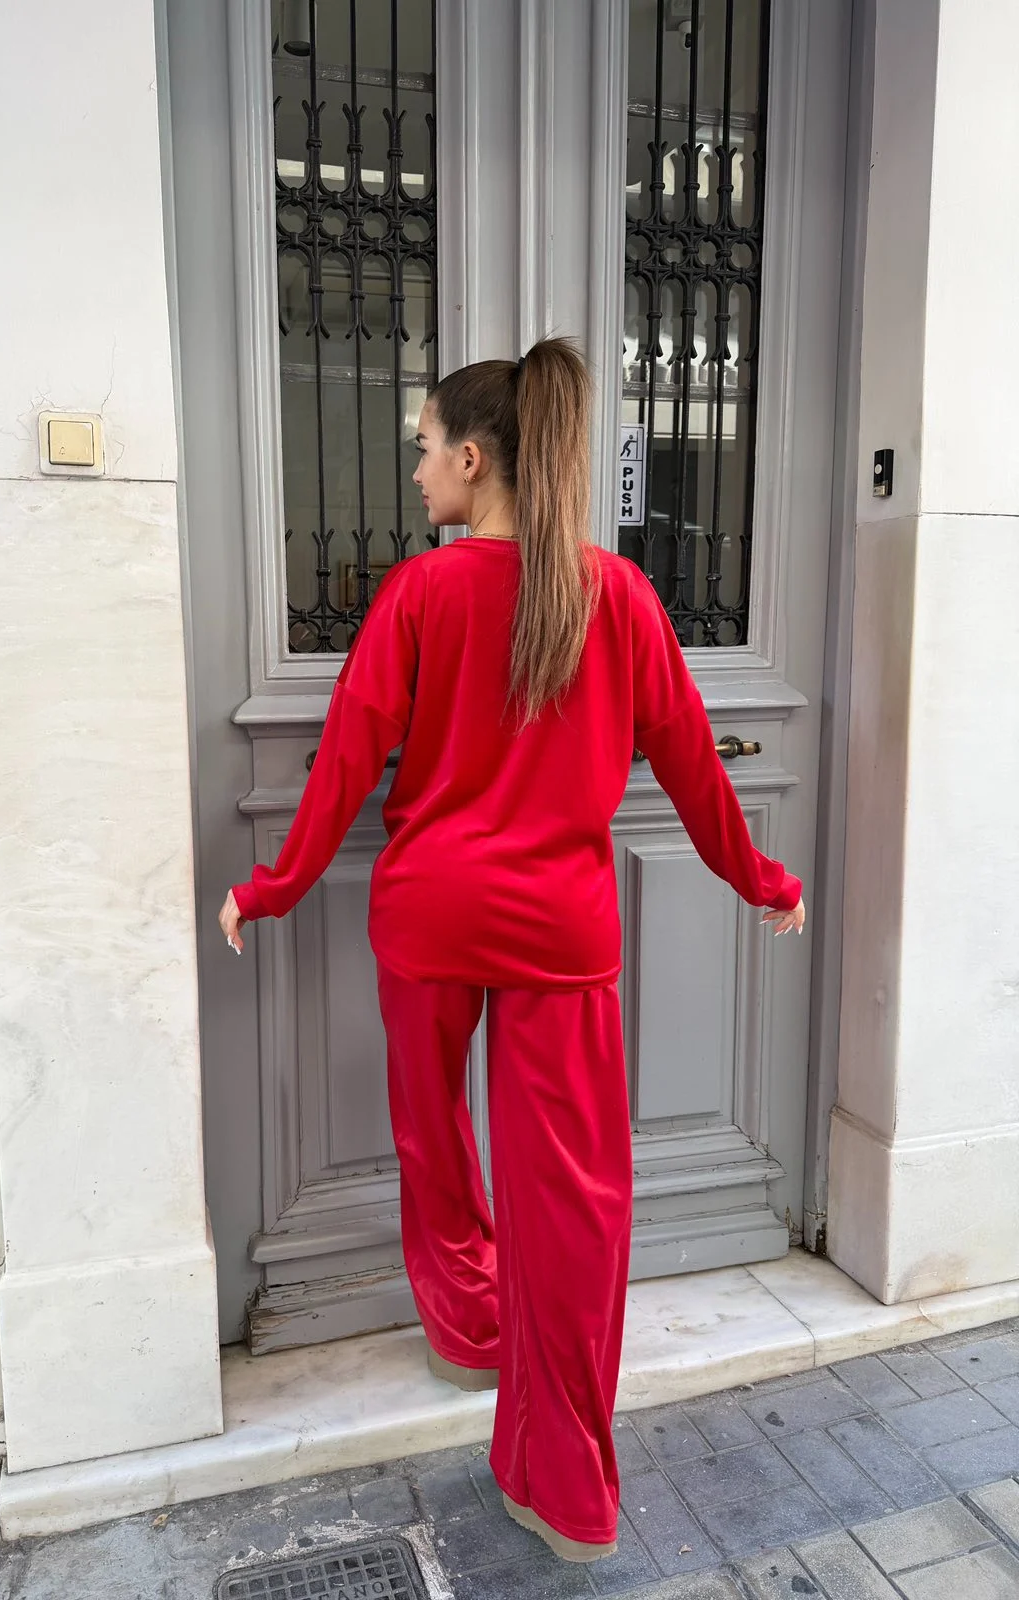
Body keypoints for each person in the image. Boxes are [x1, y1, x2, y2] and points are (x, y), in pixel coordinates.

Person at [221, 338, 804, 1564]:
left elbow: (345, 763)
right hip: (559, 932)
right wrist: (764, 878)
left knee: (435, 1138)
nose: (417, 469)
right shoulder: (620, 596)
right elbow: (693, 764)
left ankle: (468, 1332)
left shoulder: (420, 596)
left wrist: (271, 888)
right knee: (575, 1207)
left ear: (475, 459)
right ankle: (565, 1480)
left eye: (426, 446)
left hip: (430, 915)